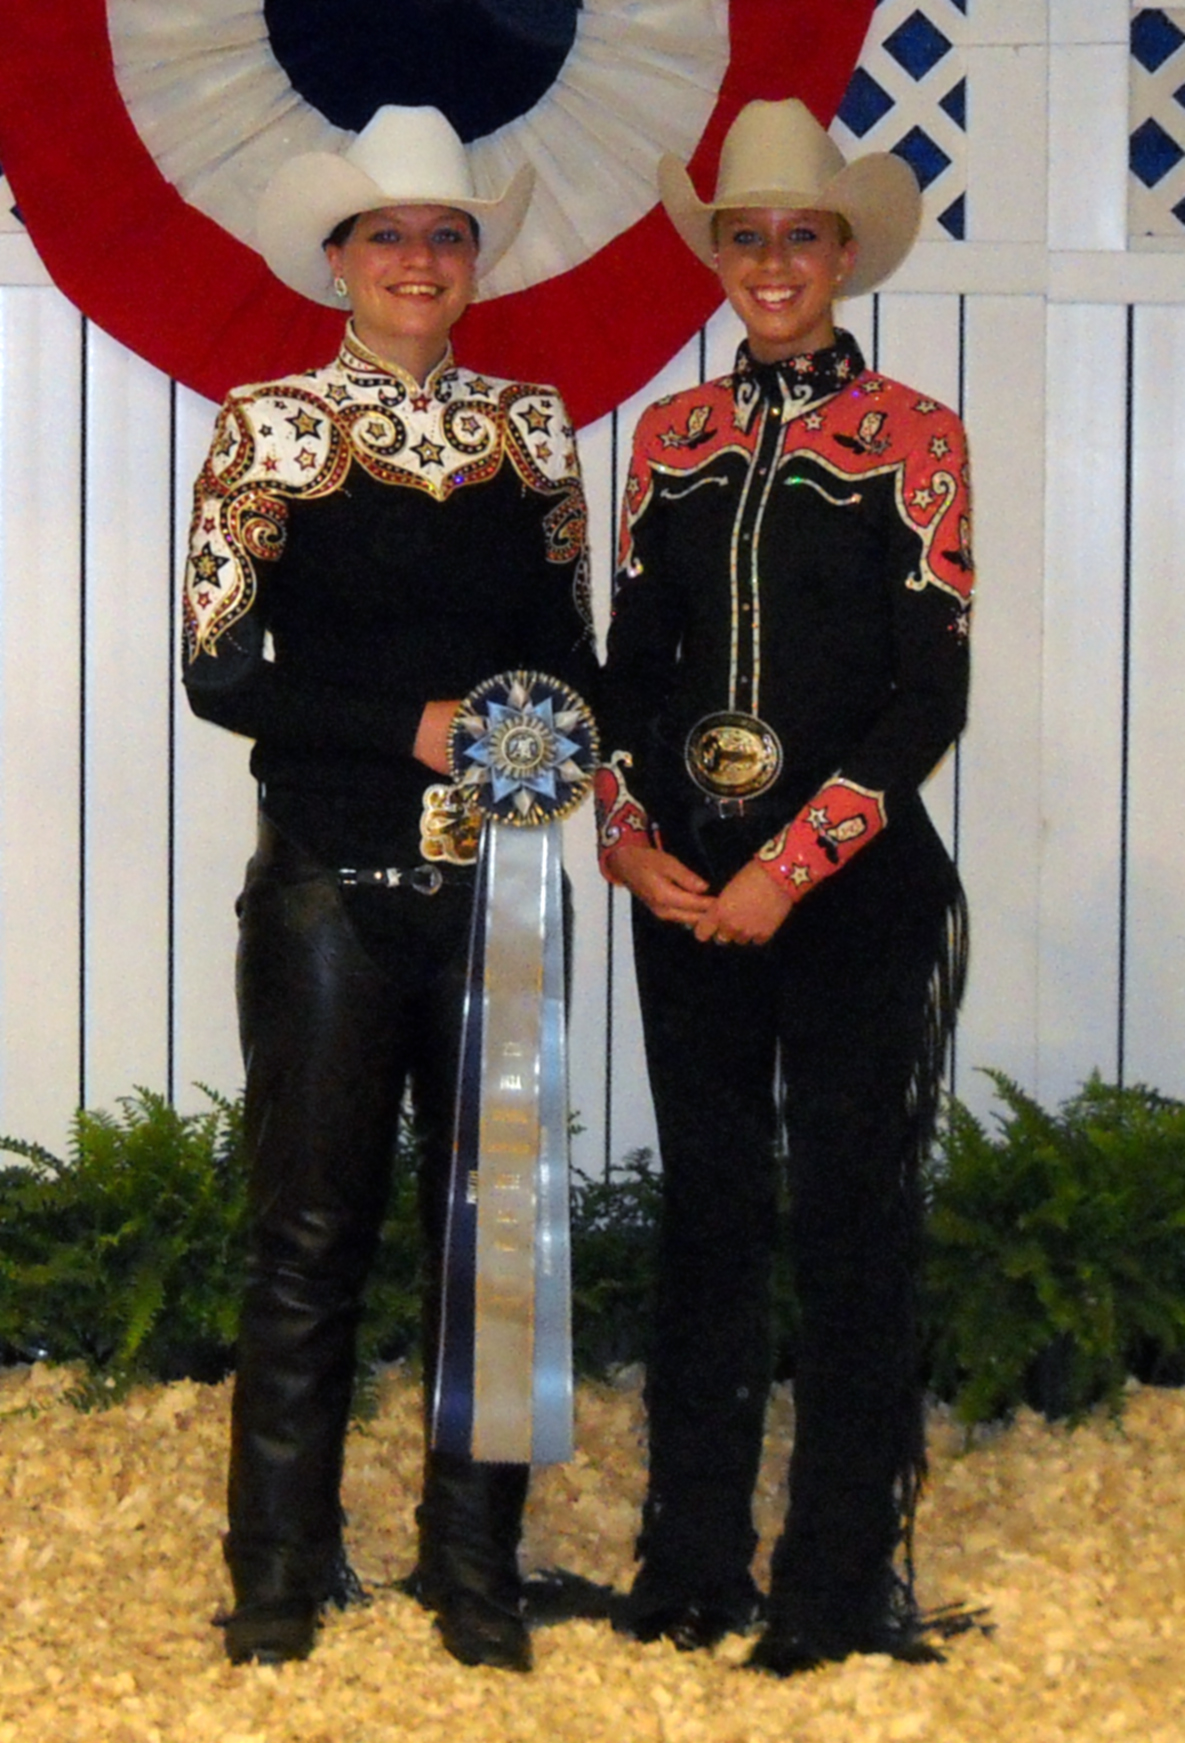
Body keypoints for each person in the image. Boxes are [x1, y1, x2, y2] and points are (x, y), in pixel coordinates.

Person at [182, 104, 596, 1673]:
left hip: (495, 884)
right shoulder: (267, 425)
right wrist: (409, 729)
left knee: (493, 1234)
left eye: (444, 233)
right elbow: (219, 674)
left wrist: (585, 743)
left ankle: (472, 1570)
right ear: (337, 261)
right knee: (306, 1235)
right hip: (329, 891)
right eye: (388, 236)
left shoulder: (537, 432)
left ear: (473, 261)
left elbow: (569, 656)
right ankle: (277, 1574)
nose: (417, 258)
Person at [595, 98, 974, 1673]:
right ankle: (687, 1557)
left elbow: (924, 700)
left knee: (845, 1213)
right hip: (682, 893)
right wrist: (626, 832)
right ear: (722, 257)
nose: (770, 260)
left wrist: (791, 873)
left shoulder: (915, 438)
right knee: (710, 1213)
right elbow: (626, 673)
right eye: (744, 236)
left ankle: (832, 1575)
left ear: (840, 254)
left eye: (797, 235)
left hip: (855, 891)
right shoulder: (665, 442)